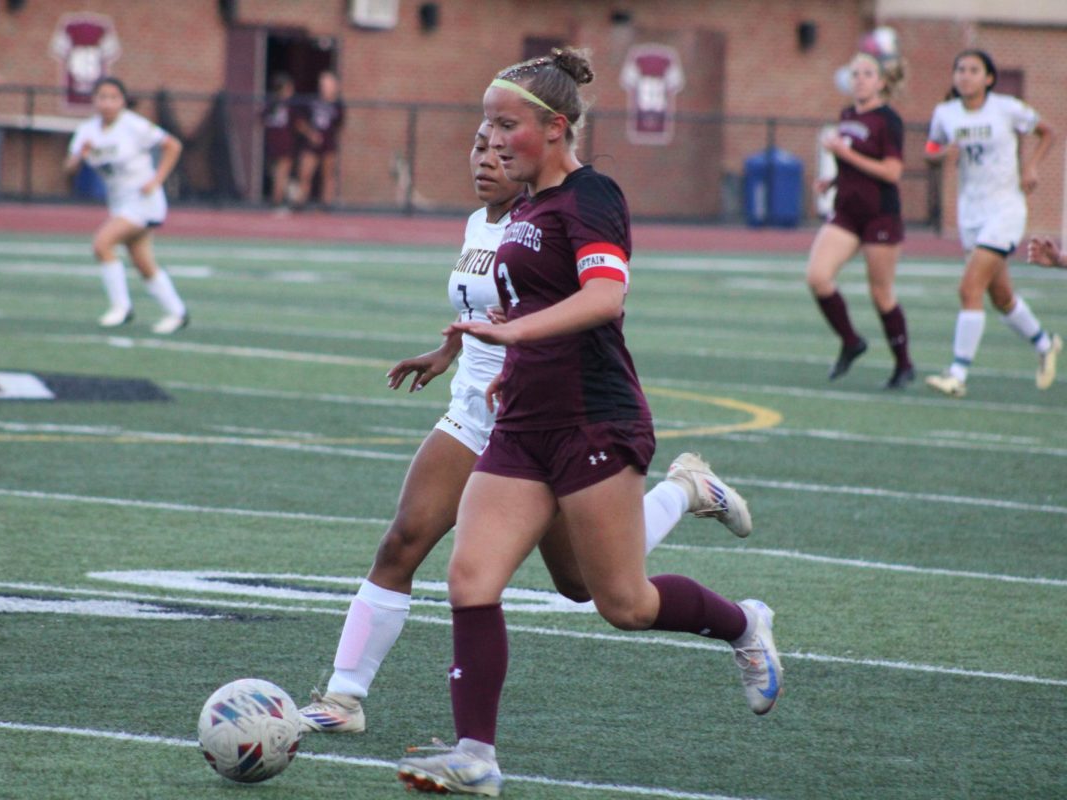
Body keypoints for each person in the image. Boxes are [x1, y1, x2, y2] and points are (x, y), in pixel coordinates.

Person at [396, 49, 781, 797]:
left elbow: (604, 297)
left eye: (506, 125)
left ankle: (743, 623)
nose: (493, 138)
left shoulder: (590, 196)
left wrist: (514, 339)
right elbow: (531, 305)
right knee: (471, 578)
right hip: (524, 421)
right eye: (486, 124)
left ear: (556, 127)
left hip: (593, 420)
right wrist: (487, 352)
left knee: (622, 603)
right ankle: (476, 755)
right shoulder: (527, 210)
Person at [299, 118, 753, 736]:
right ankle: (344, 699)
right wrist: (448, 352)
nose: (486, 158)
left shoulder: (554, 219)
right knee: (404, 541)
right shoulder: (477, 224)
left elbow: (566, 312)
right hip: (474, 413)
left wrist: (514, 359)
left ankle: (685, 490)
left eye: (499, 145)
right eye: (477, 145)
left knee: (585, 586)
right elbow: (486, 307)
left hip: (546, 417)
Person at [924, 49, 1060, 397]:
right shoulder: (946, 113)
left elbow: (1048, 132)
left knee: (969, 288)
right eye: (960, 69)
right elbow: (930, 151)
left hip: (1005, 209)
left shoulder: (1006, 107)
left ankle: (957, 374)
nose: (965, 75)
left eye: (973, 70)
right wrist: (941, 155)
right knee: (1000, 297)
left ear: (988, 78)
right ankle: (1046, 345)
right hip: (971, 213)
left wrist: (1030, 166)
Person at [806, 52, 913, 388]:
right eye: (855, 73)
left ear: (881, 81)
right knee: (817, 277)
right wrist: (834, 180)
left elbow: (892, 172)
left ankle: (903, 364)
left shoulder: (888, 120)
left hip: (880, 214)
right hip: (847, 212)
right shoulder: (847, 114)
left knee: (881, 293)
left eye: (868, 73)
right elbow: (852, 165)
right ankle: (852, 341)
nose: (860, 79)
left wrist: (845, 154)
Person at [64, 77, 190, 334]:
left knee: (102, 244)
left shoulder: (133, 125)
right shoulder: (87, 131)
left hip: (143, 201)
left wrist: (156, 180)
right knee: (143, 263)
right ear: (94, 100)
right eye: (102, 97)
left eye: (113, 97)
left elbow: (173, 146)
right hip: (119, 203)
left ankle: (121, 307)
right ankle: (178, 313)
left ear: (122, 101)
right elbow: (68, 168)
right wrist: (78, 156)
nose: (108, 103)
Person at [294, 71, 344, 208]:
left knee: (328, 174)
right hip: (312, 143)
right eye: (323, 84)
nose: (325, 87)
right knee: (305, 172)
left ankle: (325, 204)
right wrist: (311, 134)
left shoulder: (338, 105)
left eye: (329, 84)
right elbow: (299, 122)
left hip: (328, 144)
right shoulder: (312, 101)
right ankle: (300, 201)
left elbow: (339, 125)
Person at [263, 73, 298, 209]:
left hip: (275, 144)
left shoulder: (272, 104)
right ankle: (279, 201)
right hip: (282, 143)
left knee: (279, 174)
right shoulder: (280, 104)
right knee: (280, 174)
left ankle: (280, 199)